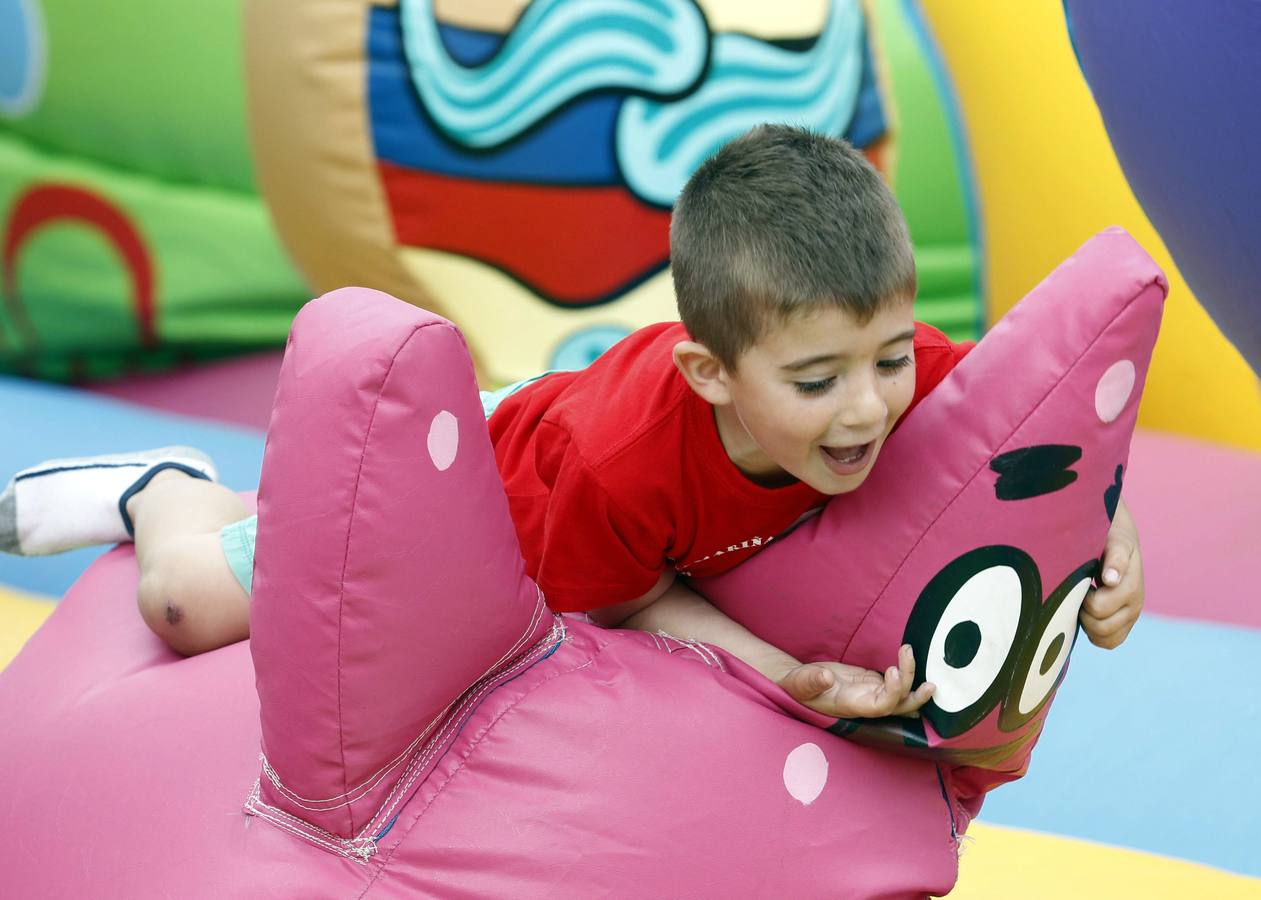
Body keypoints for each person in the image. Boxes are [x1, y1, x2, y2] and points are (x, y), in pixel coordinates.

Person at [0, 125, 1144, 722]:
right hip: (470, 488)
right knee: (188, 605)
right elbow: (634, 596)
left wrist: (1111, 538)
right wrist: (779, 670)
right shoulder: (618, 471)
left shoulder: (885, 370)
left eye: (889, 358)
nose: (869, 405)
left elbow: (1032, 436)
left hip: (559, 424)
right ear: (709, 373)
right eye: (817, 381)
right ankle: (163, 485)